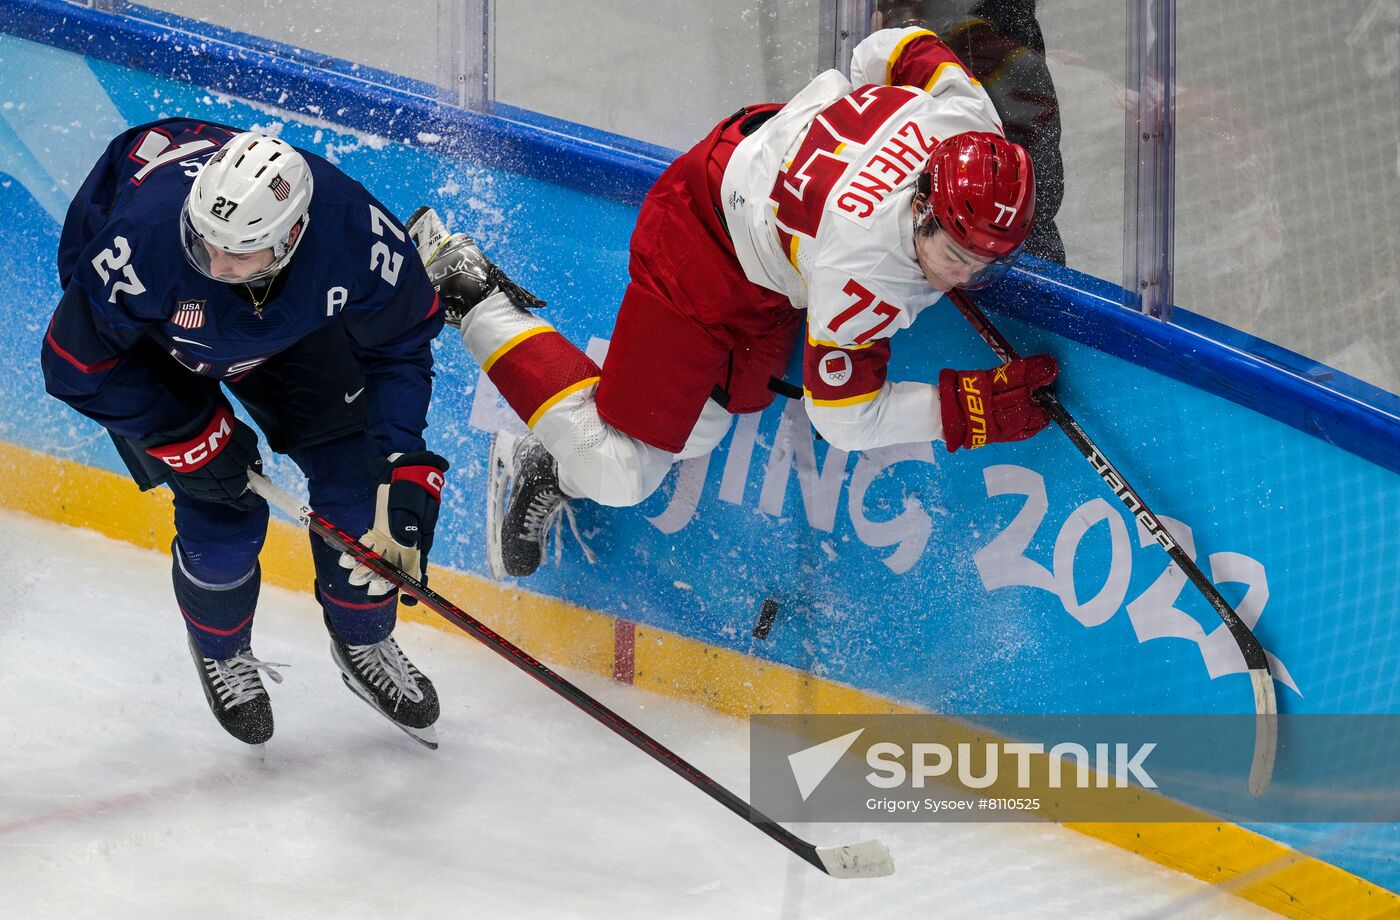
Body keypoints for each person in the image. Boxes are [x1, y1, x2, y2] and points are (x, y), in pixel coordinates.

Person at [410, 26, 1059, 579]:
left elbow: (890, 47)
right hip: (700, 233)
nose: (962, 277)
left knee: (706, 425)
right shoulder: (859, 269)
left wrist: (851, 146)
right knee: (620, 471)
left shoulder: (968, 120)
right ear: (920, 207)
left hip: (763, 204)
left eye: (985, 266)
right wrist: (968, 411)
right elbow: (845, 417)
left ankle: (553, 451)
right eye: (954, 257)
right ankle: (468, 291)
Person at [42, 119, 449, 748]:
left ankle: (364, 637)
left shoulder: (353, 232)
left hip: (289, 329)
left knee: (357, 487)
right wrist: (187, 435)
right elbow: (74, 366)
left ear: (290, 237)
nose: (215, 263)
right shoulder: (147, 241)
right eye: (205, 243)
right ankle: (222, 648)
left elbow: (403, 342)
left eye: (239, 253)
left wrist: (402, 455)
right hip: (155, 339)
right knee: (223, 509)